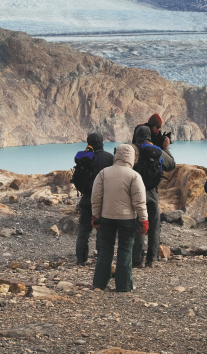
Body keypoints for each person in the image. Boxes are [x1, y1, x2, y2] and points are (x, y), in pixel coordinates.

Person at [89, 141, 146, 292]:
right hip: (127, 219)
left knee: (105, 250)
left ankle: (99, 283)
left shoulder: (103, 173)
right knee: (125, 250)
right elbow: (139, 201)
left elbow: (96, 198)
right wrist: (143, 219)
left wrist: (95, 216)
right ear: (132, 157)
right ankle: (124, 286)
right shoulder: (134, 176)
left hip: (106, 217)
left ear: (116, 155)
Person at [130, 125, 174, 268]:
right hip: (152, 192)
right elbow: (171, 165)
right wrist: (166, 148)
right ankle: (151, 259)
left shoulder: (132, 150)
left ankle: (137, 260)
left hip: (135, 192)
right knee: (154, 225)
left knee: (139, 224)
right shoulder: (157, 151)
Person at [71, 132, 114, 266]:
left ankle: (81, 259)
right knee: (102, 228)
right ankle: (101, 258)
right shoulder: (109, 158)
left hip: (86, 198)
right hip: (103, 200)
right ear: (102, 142)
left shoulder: (84, 158)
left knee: (84, 229)